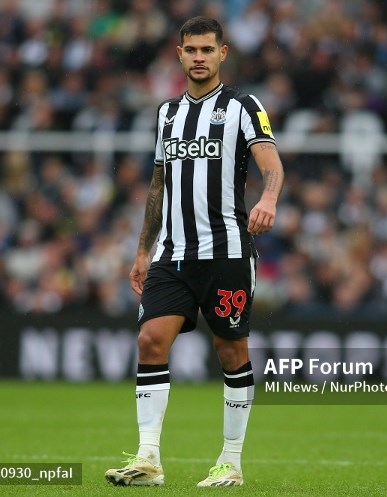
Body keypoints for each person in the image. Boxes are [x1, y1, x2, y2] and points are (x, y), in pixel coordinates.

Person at [105, 15, 284, 488]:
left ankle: (231, 461)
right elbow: (159, 183)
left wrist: (267, 199)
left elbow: (272, 163)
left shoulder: (243, 106)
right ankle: (148, 459)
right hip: (171, 254)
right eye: (192, 50)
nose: (199, 57)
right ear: (179, 54)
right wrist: (143, 248)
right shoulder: (166, 114)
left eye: (208, 49)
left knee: (231, 350)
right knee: (149, 341)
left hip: (225, 251)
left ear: (223, 53)